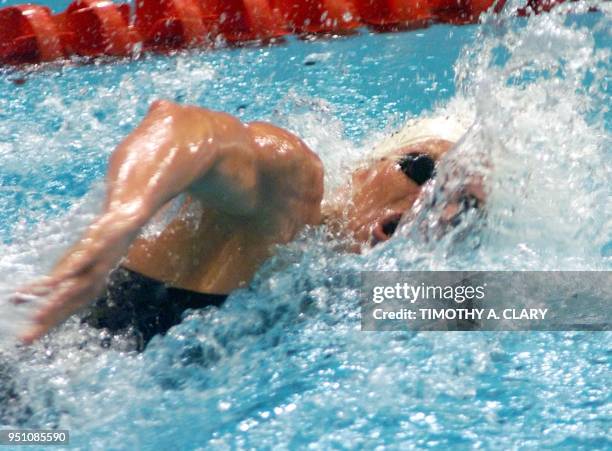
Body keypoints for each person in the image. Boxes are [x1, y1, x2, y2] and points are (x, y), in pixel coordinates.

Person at [12, 100, 484, 350]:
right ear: (367, 167)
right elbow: (184, 127)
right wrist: (121, 219)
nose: (428, 201)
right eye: (422, 168)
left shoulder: (350, 296)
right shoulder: (293, 191)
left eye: (459, 207)